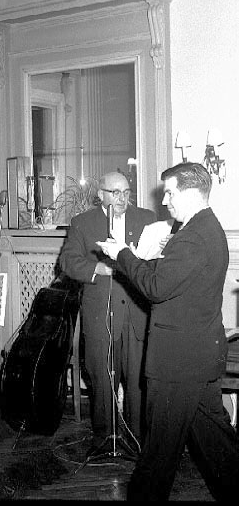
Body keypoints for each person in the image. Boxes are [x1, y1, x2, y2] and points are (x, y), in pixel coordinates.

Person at [97, 162, 239, 501]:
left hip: (179, 363)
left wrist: (122, 254)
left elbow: (156, 287)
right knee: (216, 444)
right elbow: (172, 281)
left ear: (191, 193)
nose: (165, 201)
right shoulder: (205, 228)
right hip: (198, 357)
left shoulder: (192, 237)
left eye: (171, 193)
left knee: (158, 454)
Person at [59, 171, 156, 453]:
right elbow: (67, 261)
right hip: (101, 314)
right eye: (115, 193)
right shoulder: (82, 223)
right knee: (102, 379)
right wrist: (97, 269)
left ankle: (136, 440)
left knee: (138, 381)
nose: (122, 198)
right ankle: (105, 438)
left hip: (137, 314)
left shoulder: (147, 219)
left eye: (126, 192)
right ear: (100, 194)